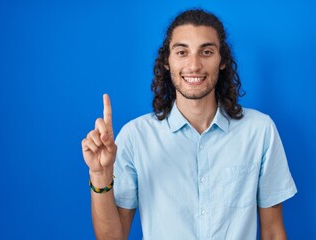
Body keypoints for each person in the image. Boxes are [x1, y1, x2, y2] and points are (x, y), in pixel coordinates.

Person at [81, 9, 297, 240]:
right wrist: (100, 174)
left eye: (206, 52)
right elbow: (112, 237)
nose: (194, 65)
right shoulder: (136, 136)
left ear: (222, 60)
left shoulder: (260, 130)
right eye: (182, 52)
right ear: (167, 61)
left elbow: (273, 232)